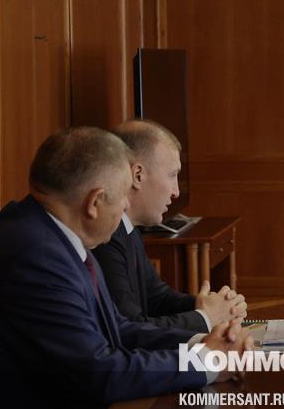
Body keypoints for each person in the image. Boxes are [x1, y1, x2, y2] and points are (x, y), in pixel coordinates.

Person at [0, 127, 253, 409]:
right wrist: (206, 363)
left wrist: (201, 343)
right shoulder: (36, 256)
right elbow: (101, 372)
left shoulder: (49, 233)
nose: (125, 208)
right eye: (123, 198)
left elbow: (117, 329)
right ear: (95, 203)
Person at [94, 119, 246, 332]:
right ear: (138, 175)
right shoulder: (104, 238)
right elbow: (129, 328)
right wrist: (205, 318)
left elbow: (156, 298)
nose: (176, 192)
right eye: (172, 175)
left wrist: (209, 306)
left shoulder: (128, 229)